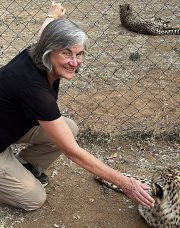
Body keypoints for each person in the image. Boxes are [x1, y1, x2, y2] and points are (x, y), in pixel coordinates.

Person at [0, 2, 155, 211]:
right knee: (33, 198)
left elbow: (44, 32)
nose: (75, 62)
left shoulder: (36, 53)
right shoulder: (35, 90)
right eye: (67, 54)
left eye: (79, 54)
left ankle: (23, 166)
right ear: (49, 52)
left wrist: (52, 15)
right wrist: (127, 184)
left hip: (6, 128)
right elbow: (72, 152)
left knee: (69, 128)